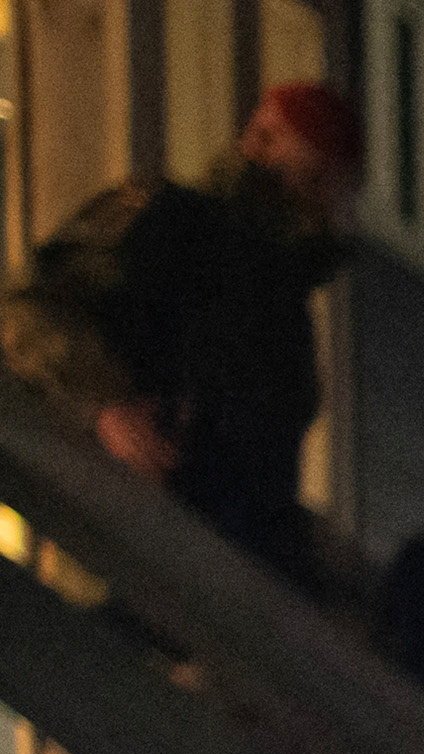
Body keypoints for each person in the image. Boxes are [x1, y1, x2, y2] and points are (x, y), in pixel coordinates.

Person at [3, 81, 359, 589]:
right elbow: (27, 312)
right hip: (127, 547)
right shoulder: (166, 221)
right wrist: (108, 406)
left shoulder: (284, 301)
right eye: (319, 177)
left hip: (206, 574)